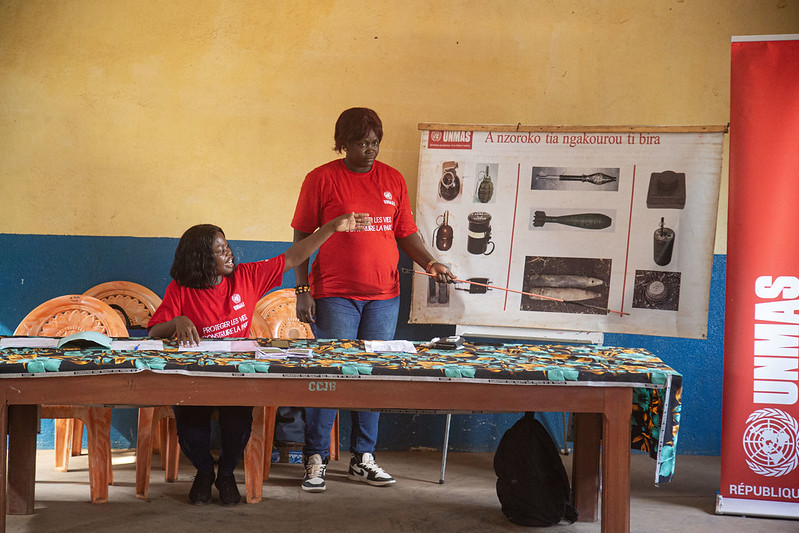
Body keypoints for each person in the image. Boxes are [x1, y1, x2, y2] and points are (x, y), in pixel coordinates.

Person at [148, 213, 369, 506]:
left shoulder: (246, 276)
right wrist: (176, 321)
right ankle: (203, 472)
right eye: (219, 249)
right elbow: (154, 331)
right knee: (189, 423)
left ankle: (226, 474)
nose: (229, 253)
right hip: (196, 377)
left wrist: (330, 228)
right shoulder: (180, 290)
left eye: (227, 246)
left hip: (237, 376)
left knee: (238, 422)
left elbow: (292, 257)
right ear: (201, 257)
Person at [291, 107, 454, 493]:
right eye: (362, 143)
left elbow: (406, 233)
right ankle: (315, 458)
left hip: (384, 298)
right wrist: (302, 291)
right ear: (342, 144)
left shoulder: (393, 180)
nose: (370, 150)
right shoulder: (321, 179)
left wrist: (431, 262)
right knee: (329, 377)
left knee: (373, 374)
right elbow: (300, 239)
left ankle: (363, 458)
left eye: (375, 143)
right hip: (334, 296)